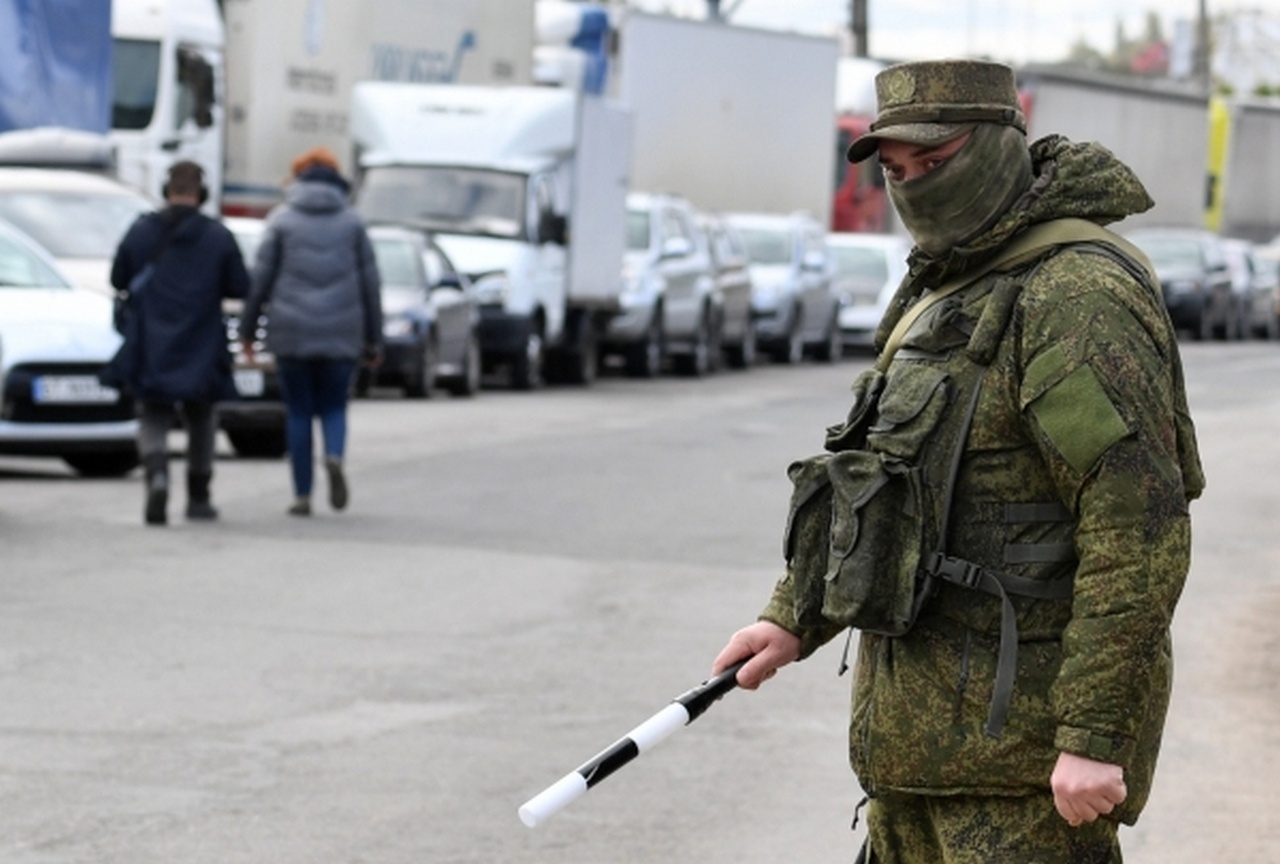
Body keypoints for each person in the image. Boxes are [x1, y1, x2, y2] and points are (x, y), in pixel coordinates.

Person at [711, 59, 1204, 863]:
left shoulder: (1072, 298)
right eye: (898, 172)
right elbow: (883, 481)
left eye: (934, 164)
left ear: (1004, 146)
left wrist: (1094, 734)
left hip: (1024, 777)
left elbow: (1136, 531)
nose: (914, 189)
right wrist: (794, 614)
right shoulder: (946, 287)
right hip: (913, 760)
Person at [240, 146, 382, 516]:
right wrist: (374, 338)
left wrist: (248, 332)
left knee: (299, 411)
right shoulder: (353, 223)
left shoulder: (281, 221)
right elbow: (371, 285)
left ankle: (302, 495)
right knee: (335, 406)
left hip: (292, 332)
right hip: (342, 332)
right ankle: (333, 456)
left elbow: (261, 281)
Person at [109, 160, 249, 526]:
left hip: (151, 339)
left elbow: (118, 277)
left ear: (165, 190)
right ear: (201, 194)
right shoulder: (218, 236)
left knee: (153, 413)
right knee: (202, 417)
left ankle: (157, 475)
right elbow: (240, 286)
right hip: (201, 341)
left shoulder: (141, 231)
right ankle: (199, 497)